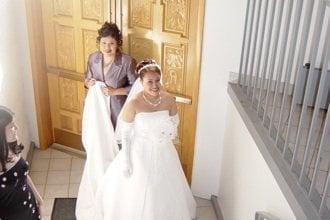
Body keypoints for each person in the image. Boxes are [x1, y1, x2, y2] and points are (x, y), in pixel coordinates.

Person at [94, 59, 197, 220]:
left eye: (157, 80)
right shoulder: (134, 103)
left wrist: (166, 134)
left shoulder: (169, 99)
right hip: (139, 152)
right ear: (141, 82)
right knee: (146, 188)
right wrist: (127, 161)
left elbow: (174, 122)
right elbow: (126, 135)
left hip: (164, 150)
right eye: (150, 82)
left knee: (164, 188)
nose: (155, 85)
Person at [84, 21, 137, 128]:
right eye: (103, 43)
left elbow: (137, 87)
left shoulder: (127, 61)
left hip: (118, 110)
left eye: (111, 43)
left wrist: (115, 91)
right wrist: (88, 83)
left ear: (118, 44)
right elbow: (87, 80)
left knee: (117, 141)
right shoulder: (93, 58)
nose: (107, 47)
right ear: (99, 42)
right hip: (97, 108)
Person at [0, 106, 43, 220]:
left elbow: (23, 174)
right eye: (11, 126)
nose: (17, 128)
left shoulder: (13, 146)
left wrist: (37, 197)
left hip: (30, 206)